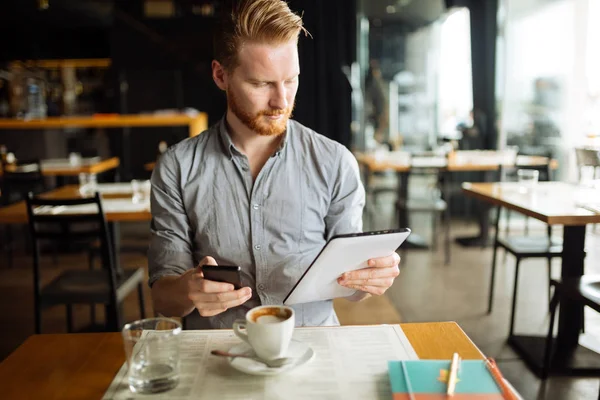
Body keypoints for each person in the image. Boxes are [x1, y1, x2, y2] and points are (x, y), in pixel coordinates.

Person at [149, 0, 401, 329]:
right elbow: (164, 299)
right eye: (261, 84)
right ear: (220, 75)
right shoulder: (176, 168)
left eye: (291, 80)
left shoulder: (335, 162)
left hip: (313, 351)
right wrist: (187, 290)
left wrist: (371, 278)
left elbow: (352, 287)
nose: (281, 101)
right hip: (218, 355)